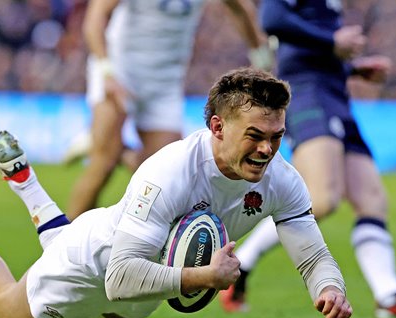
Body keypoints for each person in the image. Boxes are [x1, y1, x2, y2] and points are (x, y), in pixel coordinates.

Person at [0, 68, 352, 318]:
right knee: (10, 316)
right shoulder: (170, 171)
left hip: (149, 287)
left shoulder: (281, 179)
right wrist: (206, 276)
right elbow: (122, 276)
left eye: (276, 136)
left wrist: (329, 288)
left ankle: (26, 182)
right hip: (100, 260)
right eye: (255, 136)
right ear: (216, 128)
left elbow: (311, 252)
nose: (268, 150)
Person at [220, 0, 396, 318]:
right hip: (308, 93)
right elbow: (273, 17)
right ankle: (241, 265)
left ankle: (389, 295)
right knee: (321, 199)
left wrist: (352, 67)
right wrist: (333, 42)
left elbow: (308, 37)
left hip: (334, 93)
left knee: (372, 200)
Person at [65, 0, 276, 220]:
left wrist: (260, 57)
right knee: (102, 165)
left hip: (165, 83)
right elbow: (94, 19)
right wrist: (107, 72)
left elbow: (241, 10)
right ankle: (63, 247)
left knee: (169, 178)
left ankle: (112, 148)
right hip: (119, 71)